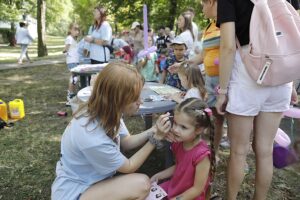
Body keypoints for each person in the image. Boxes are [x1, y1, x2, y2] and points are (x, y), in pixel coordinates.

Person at [51, 62, 172, 200]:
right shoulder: (91, 136)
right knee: (142, 184)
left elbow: (126, 141)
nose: (140, 101)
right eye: (134, 98)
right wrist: (155, 139)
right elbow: (129, 166)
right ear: (117, 99)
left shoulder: (106, 110)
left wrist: (154, 129)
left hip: (92, 181)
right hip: (75, 192)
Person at [215, 1, 297, 199]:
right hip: (281, 75)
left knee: (238, 151)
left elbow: (227, 47)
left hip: (247, 72)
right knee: (265, 150)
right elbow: (292, 37)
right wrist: (291, 82)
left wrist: (223, 91)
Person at [150, 98, 216, 200]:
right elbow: (180, 166)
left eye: (183, 127)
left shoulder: (202, 155)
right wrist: (159, 175)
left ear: (199, 129)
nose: (175, 129)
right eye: (175, 123)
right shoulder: (179, 143)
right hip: (174, 187)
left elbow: (197, 189)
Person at [63, 23, 80, 106]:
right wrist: (66, 54)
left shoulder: (74, 39)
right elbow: (65, 49)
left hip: (75, 61)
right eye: (75, 29)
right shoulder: (69, 38)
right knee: (74, 78)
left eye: (78, 30)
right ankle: (69, 97)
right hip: (72, 61)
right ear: (70, 30)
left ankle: (72, 95)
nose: (77, 31)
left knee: (75, 78)